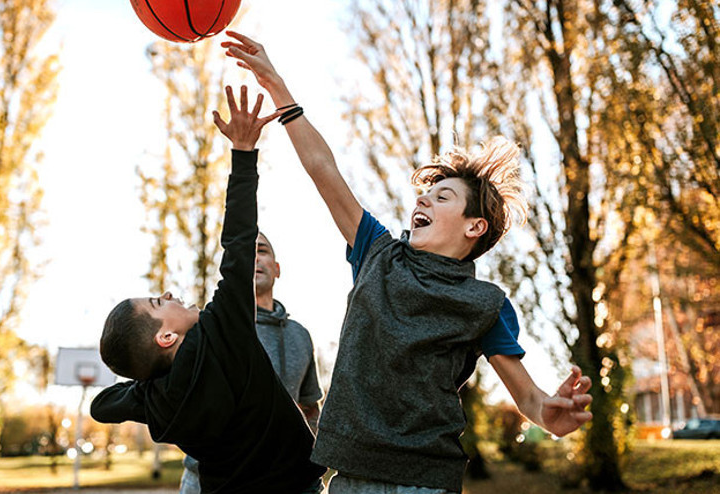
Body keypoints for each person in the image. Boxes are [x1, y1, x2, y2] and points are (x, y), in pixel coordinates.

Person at [220, 31, 594, 494]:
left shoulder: (485, 303)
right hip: (351, 477)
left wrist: (548, 415)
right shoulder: (377, 252)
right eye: (425, 193)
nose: (424, 199)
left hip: (426, 481)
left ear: (474, 226)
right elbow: (324, 170)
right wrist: (278, 86)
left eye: (442, 196)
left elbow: (528, 397)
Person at [89, 85, 326, 494]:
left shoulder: (159, 402)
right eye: (157, 302)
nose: (166, 293)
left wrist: (146, 384)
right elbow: (239, 239)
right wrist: (243, 151)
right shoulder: (224, 333)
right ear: (166, 336)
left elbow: (99, 406)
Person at [180, 231, 323, 493]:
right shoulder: (209, 328)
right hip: (209, 482)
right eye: (245, 252)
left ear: (277, 269)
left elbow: (309, 407)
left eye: (262, 251)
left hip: (281, 481)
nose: (253, 258)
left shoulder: (299, 335)